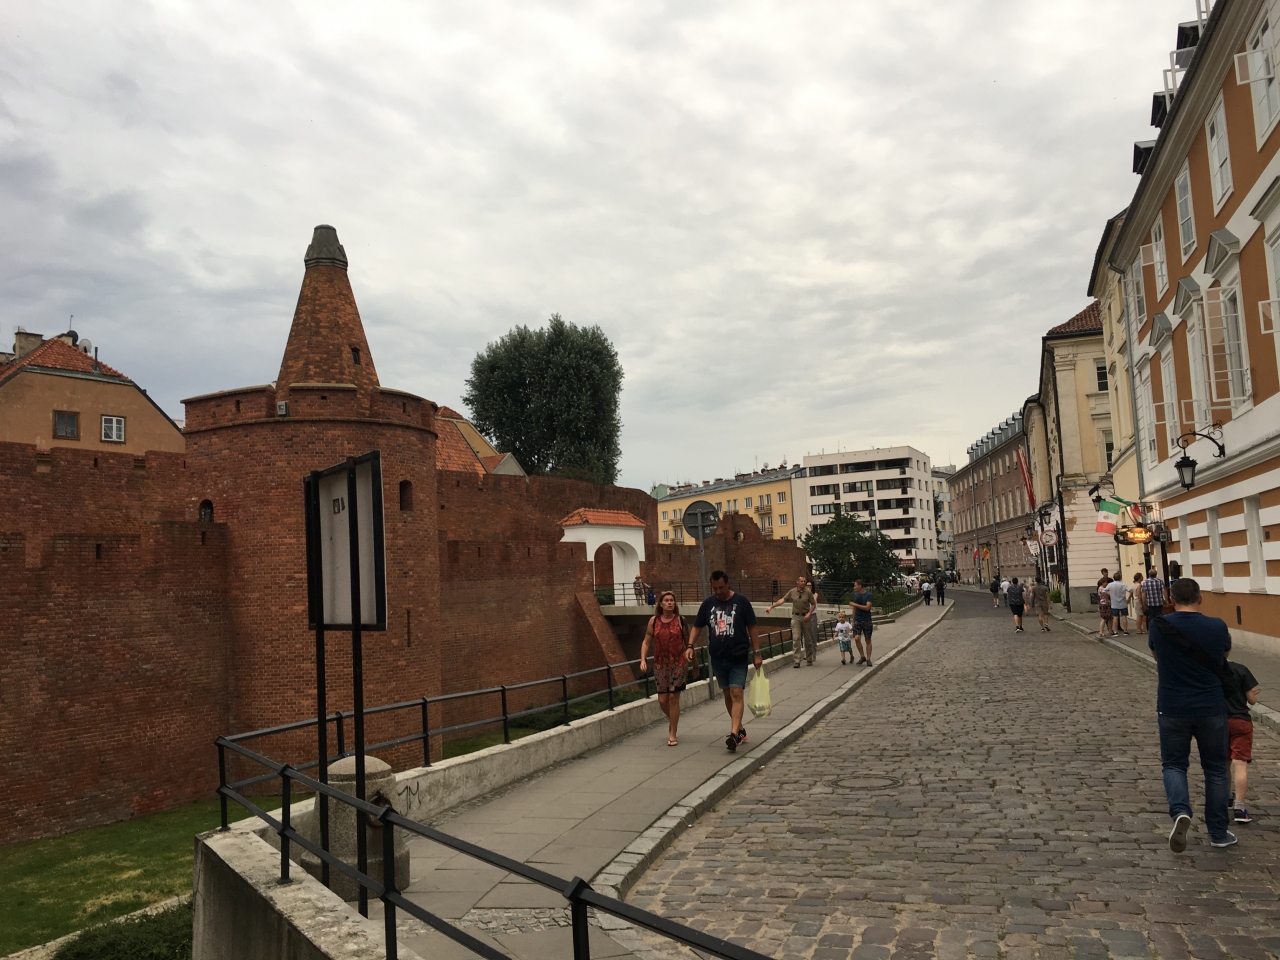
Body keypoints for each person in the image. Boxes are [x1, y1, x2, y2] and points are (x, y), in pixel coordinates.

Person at [1148, 578, 1236, 851]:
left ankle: (1180, 811)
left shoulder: (1158, 626)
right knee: (1216, 769)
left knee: (1174, 765)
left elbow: (1157, 656)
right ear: (1200, 598)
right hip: (1211, 706)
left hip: (1172, 706)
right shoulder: (1217, 626)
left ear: (1171, 599)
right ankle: (1218, 832)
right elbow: (1224, 655)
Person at [689, 570, 764, 752]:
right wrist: (690, 645)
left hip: (738, 656)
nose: (718, 591)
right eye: (714, 588)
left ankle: (733, 734)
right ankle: (740, 730)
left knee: (736, 693)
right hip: (717, 657)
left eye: (721, 587)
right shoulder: (708, 604)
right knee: (727, 694)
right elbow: (697, 626)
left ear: (728, 584)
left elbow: (752, 627)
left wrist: (757, 652)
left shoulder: (741, 601)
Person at [638, 591, 693, 746]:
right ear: (661, 604)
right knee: (662, 700)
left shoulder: (680, 620)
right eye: (667, 600)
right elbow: (646, 642)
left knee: (674, 697)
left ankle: (672, 733)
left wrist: (694, 663)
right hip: (660, 665)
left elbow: (688, 643)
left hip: (678, 663)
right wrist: (643, 659)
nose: (670, 603)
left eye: (672, 600)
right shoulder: (654, 621)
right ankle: (673, 719)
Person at [1225, 657, 1261, 824]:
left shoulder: (1211, 670)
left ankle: (1225, 797)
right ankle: (1239, 807)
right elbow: (1252, 700)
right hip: (1240, 721)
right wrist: (1252, 695)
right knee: (1240, 764)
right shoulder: (1241, 669)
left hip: (1219, 722)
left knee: (1223, 763)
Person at [765, 575, 817, 668]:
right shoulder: (792, 591)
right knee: (796, 638)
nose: (803, 583)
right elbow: (783, 600)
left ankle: (809, 658)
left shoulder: (808, 592)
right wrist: (771, 607)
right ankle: (797, 660)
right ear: (797, 582)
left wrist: (809, 614)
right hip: (796, 617)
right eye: (801, 581)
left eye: (804, 581)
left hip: (805, 617)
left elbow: (813, 604)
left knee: (808, 639)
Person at [848, 580, 874, 666]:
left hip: (866, 619)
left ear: (860, 586)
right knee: (856, 638)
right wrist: (853, 620)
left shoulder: (868, 595)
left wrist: (855, 605)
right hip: (857, 619)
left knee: (868, 639)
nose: (854, 587)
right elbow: (854, 609)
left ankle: (868, 659)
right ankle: (862, 656)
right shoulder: (856, 595)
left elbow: (867, 607)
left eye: (855, 586)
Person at [1097, 571, 1113, 638]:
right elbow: (1110, 594)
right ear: (1103, 583)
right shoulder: (1103, 589)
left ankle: (1109, 631)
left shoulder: (1099, 588)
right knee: (1105, 618)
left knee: (1109, 618)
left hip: (1102, 603)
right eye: (1106, 582)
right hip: (1105, 604)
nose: (1107, 583)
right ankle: (1102, 631)